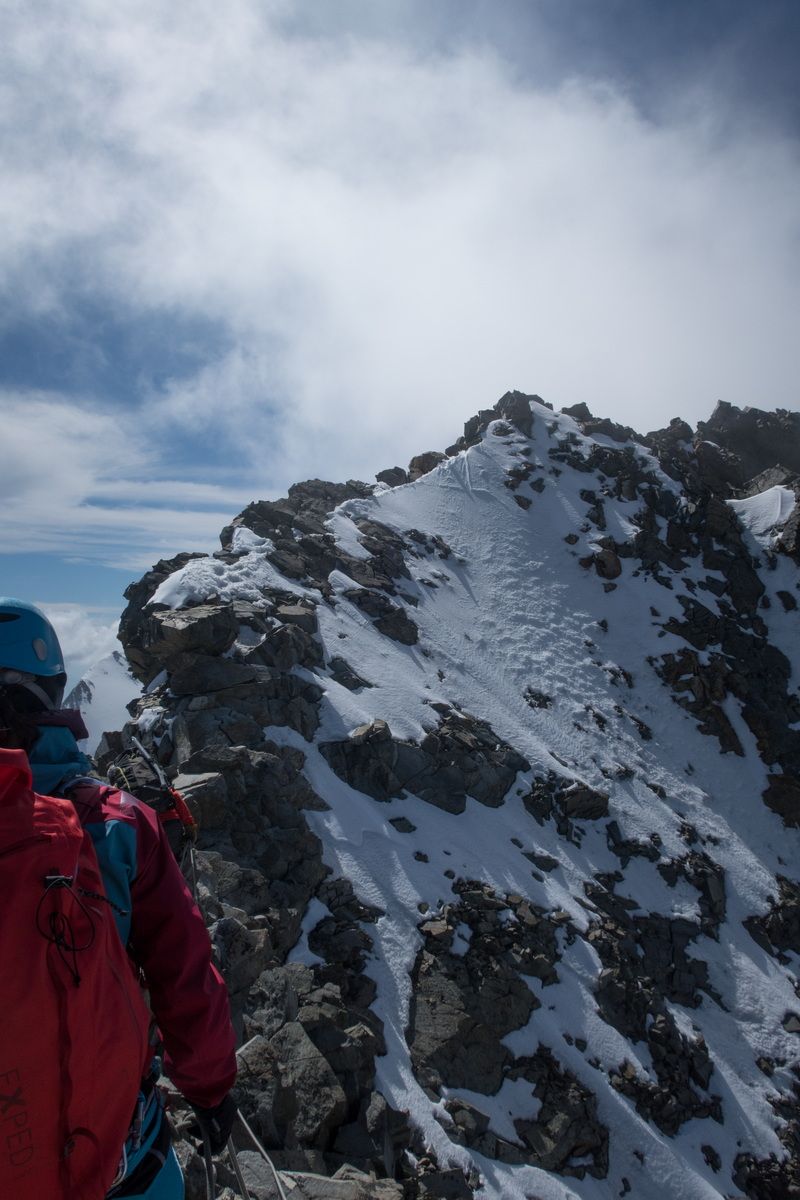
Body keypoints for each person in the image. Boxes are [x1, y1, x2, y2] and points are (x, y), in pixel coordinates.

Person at [0, 598, 238, 1198]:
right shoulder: (116, 823)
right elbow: (183, 973)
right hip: (121, 1159)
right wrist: (209, 1089)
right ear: (52, 697)